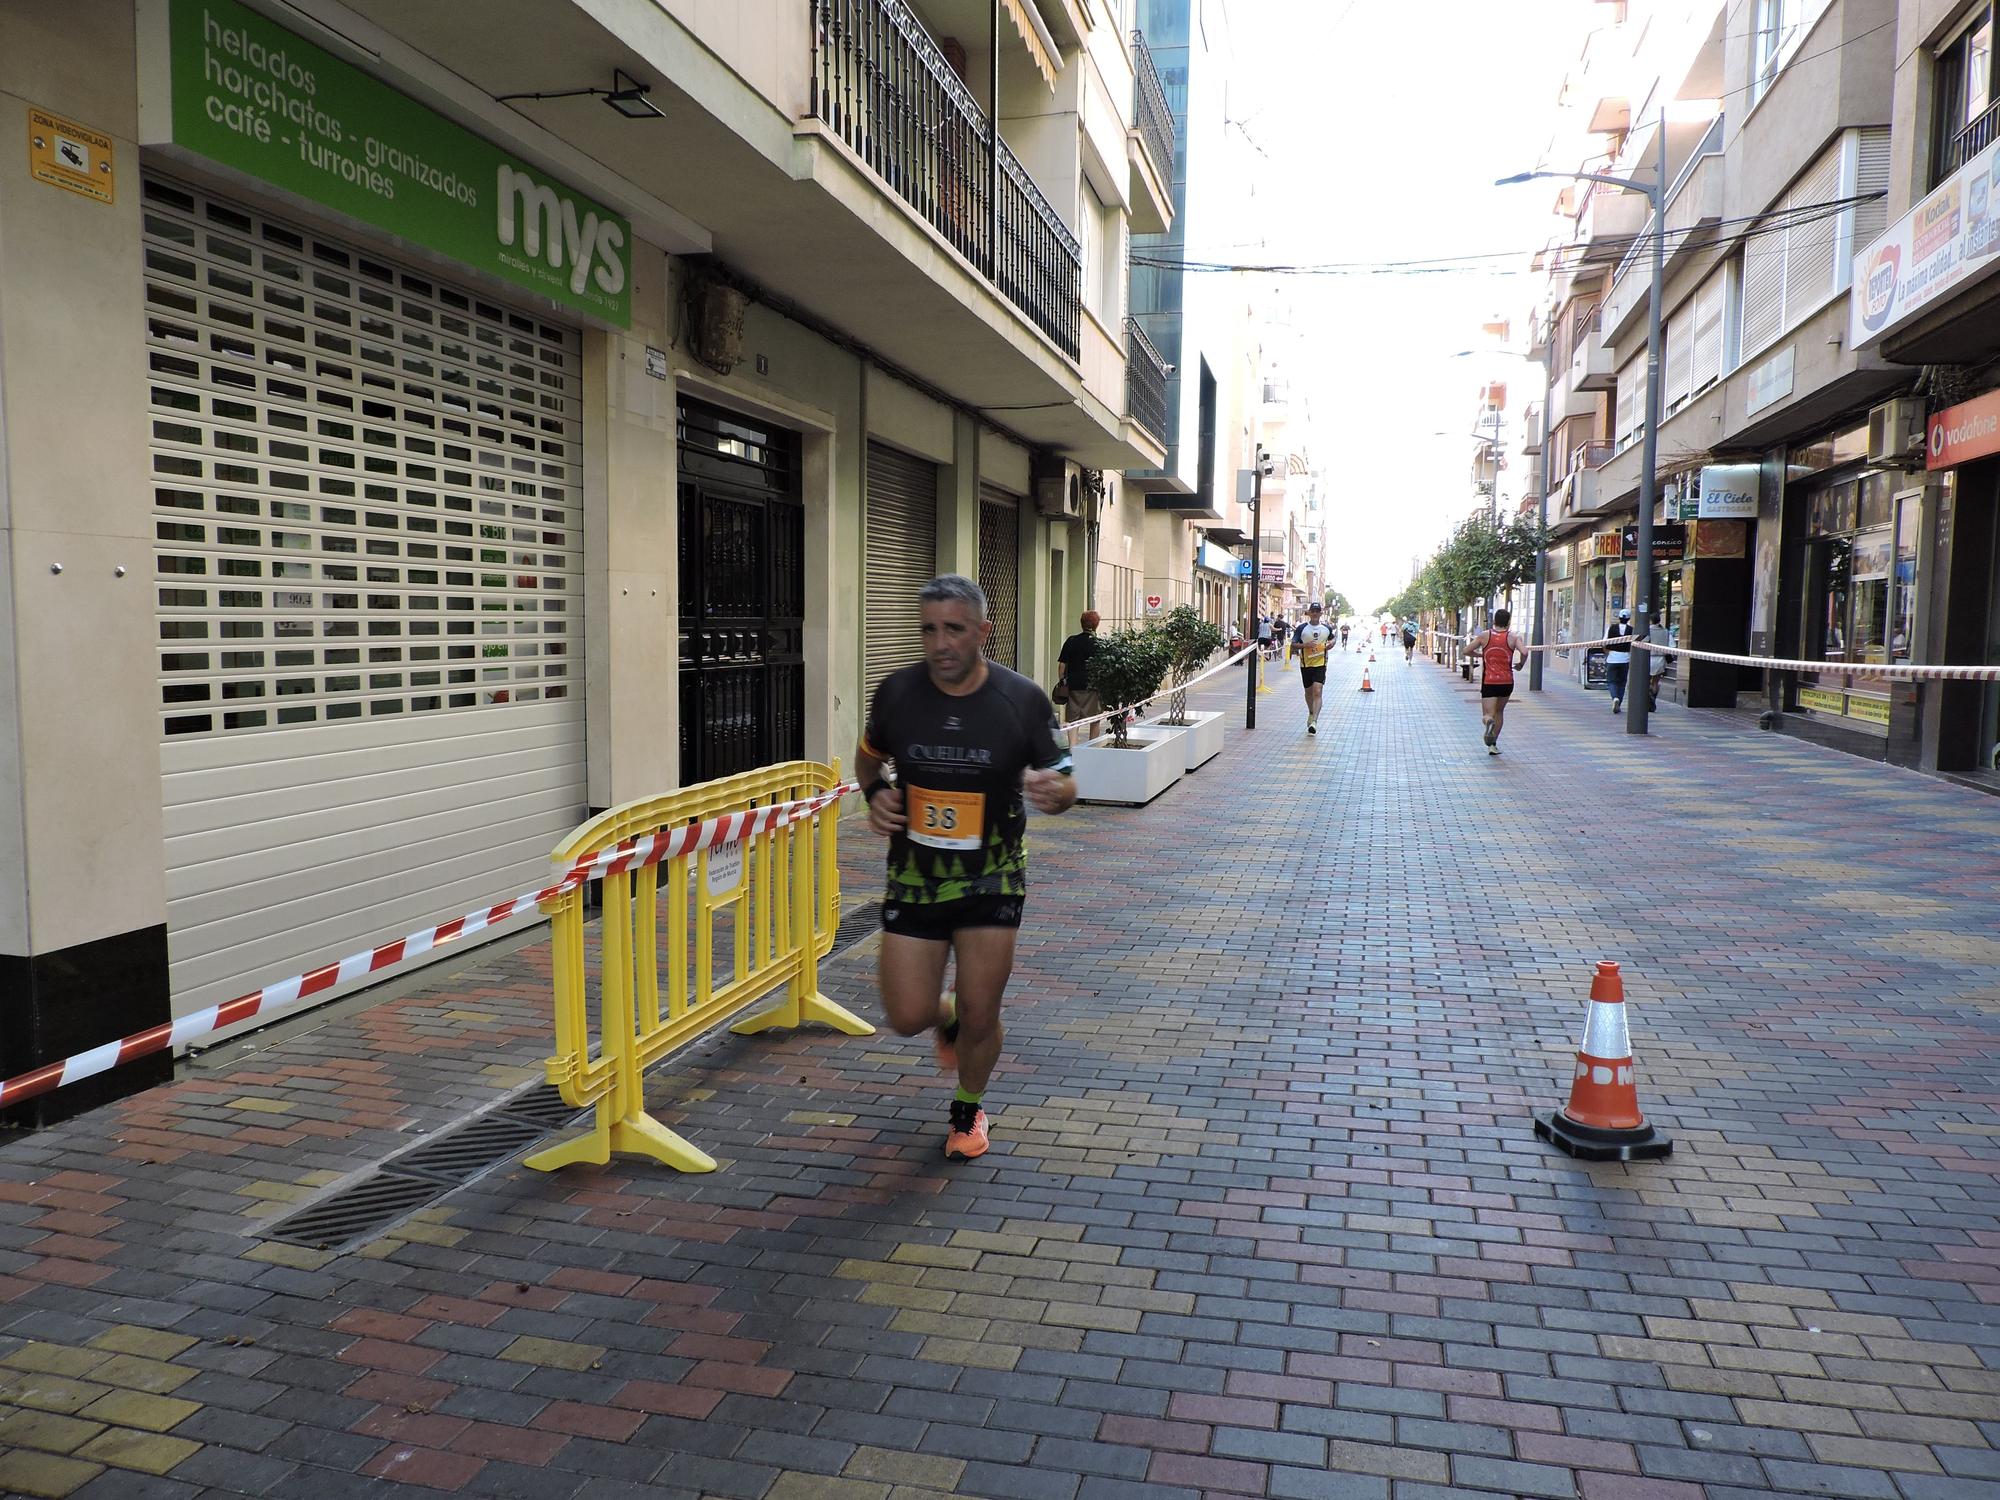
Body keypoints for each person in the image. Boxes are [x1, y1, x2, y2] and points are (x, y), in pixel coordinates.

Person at [856, 575, 1076, 1161]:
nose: (940, 643)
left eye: (954, 629)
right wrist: (874, 792)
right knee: (906, 1017)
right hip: (915, 876)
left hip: (994, 875)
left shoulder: (1021, 698)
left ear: (982, 631)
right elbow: (868, 756)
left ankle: (967, 1107)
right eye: (929, 629)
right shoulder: (898, 693)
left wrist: (1057, 791)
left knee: (983, 1012)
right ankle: (943, 1011)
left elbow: (1065, 772)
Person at [1468, 606, 1527, 755]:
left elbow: (1466, 650)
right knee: (1500, 711)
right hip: (1507, 682)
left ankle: (1488, 722)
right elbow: (1525, 652)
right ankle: (1493, 744)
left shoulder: (1484, 636)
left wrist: (1480, 655)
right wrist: (1520, 664)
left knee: (1488, 714)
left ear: (1494, 621)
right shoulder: (1514, 637)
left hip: (1489, 681)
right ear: (1508, 622)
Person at [1293, 601, 1334, 734]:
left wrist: (1331, 644)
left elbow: (1333, 639)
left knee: (1318, 691)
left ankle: (1314, 721)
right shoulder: (1302, 628)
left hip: (1321, 664)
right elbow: (1293, 644)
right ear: (1309, 613)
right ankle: (1311, 712)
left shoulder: (1326, 628)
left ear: (1321, 613)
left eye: (1318, 611)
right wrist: (1305, 645)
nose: (1315, 613)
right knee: (1309, 692)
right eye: (1313, 611)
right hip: (1306, 664)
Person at [1055, 610, 1102, 726]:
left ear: (1081, 623)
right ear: (1096, 625)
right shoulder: (1099, 643)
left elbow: (1062, 664)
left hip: (1073, 686)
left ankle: (1073, 743)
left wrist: (1062, 681)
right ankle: (1091, 743)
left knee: (1072, 721)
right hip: (1092, 687)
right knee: (1094, 720)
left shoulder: (1071, 641)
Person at [1605, 608, 1636, 712]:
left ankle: (1615, 698)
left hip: (1612, 658)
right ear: (1628, 619)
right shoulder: (1632, 630)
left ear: (1619, 618)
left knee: (1611, 681)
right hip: (1625, 659)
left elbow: (1604, 642)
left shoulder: (1611, 628)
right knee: (1622, 682)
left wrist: (1607, 654)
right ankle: (1619, 702)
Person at [1646, 619, 1670, 710]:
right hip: (1660, 658)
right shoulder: (1665, 631)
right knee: (1655, 682)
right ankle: (1653, 700)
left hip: (1648, 658)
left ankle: (1647, 700)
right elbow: (1671, 646)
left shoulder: (1647, 631)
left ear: (1650, 620)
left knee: (1646, 681)